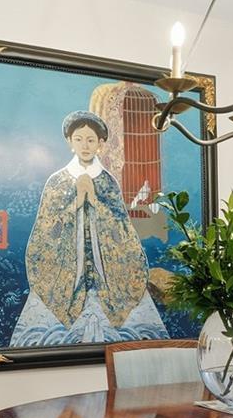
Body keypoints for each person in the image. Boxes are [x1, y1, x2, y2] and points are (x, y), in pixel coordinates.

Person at [10, 110, 169, 345]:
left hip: (106, 274)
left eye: (91, 140)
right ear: (70, 143)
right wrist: (76, 202)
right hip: (66, 274)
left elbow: (120, 229)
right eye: (79, 139)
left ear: (100, 144)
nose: (85, 145)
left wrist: (94, 201)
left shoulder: (108, 182)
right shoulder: (57, 181)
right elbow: (46, 231)